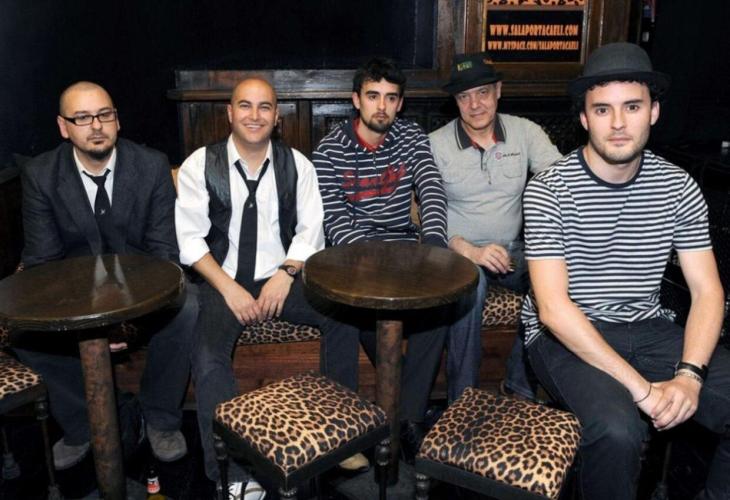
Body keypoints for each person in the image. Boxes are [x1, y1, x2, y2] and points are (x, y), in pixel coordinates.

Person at [522, 42, 730, 500]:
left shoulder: (678, 186)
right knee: (617, 432)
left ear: (653, 111)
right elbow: (554, 310)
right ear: (584, 118)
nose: (618, 123)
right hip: (567, 334)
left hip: (648, 325)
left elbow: (707, 291)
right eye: (603, 109)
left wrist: (689, 376)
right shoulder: (549, 190)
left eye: (632, 107)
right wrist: (644, 391)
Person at [175, 77, 360, 499]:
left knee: (343, 317)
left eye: (264, 107)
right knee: (207, 355)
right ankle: (233, 475)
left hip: (283, 276)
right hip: (221, 280)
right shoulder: (200, 164)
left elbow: (312, 230)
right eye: (245, 105)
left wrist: (286, 274)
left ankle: (341, 436)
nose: (254, 115)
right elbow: (189, 241)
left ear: (277, 117)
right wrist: (229, 289)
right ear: (229, 113)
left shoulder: (297, 165)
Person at [15, 81, 196, 469]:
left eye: (104, 114)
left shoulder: (150, 165)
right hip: (75, 290)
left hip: (143, 286)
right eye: (82, 118)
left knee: (188, 306)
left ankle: (160, 418)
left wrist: (126, 321)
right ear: (64, 127)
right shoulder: (41, 174)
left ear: (117, 119)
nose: (96, 126)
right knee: (21, 333)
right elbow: (43, 265)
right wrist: (90, 323)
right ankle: (85, 423)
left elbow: (164, 254)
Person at [312, 57, 449, 457]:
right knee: (359, 314)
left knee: (442, 307)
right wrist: (380, 267)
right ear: (356, 100)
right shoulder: (330, 150)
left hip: (406, 253)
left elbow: (432, 190)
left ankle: (407, 417)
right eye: (373, 96)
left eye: (391, 98)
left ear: (400, 103)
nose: (382, 106)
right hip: (353, 259)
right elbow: (335, 222)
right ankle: (373, 421)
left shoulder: (412, 137)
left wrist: (435, 245)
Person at [429, 52, 562, 402]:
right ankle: (463, 399)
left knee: (553, 276)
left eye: (482, 93)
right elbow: (422, 213)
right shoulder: (436, 144)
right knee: (469, 288)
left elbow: (562, 183)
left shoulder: (525, 132)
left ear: (498, 91)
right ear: (455, 101)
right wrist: (469, 251)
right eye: (464, 96)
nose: (474, 105)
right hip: (458, 253)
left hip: (511, 251)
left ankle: (519, 385)